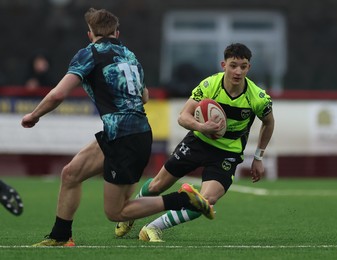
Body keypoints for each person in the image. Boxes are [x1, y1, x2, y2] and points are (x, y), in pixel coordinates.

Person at [21, 8, 213, 247]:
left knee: (116, 212)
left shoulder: (89, 53)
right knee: (71, 174)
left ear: (90, 34)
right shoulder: (130, 55)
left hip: (124, 138)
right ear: (116, 32)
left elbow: (58, 93)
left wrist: (34, 115)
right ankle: (60, 236)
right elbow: (144, 97)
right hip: (129, 133)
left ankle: (183, 200)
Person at [115, 43, 275, 242]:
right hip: (198, 142)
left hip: (227, 153)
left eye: (243, 66)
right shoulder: (209, 85)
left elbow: (268, 123)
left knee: (204, 202)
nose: (238, 71)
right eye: (233, 65)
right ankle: (130, 213)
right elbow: (183, 116)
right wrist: (202, 128)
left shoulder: (258, 98)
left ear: (248, 68)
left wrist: (258, 157)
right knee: (157, 185)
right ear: (224, 65)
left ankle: (152, 228)